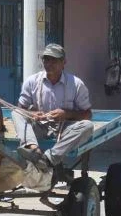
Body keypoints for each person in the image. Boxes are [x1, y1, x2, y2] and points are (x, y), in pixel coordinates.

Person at [11, 43, 94, 171]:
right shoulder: (32, 81)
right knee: (16, 112)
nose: (49, 63)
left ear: (63, 62)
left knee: (87, 126)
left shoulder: (76, 84)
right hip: (39, 126)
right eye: (46, 59)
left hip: (66, 127)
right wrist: (32, 114)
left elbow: (87, 114)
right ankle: (33, 148)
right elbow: (21, 108)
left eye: (54, 60)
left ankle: (49, 159)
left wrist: (66, 114)